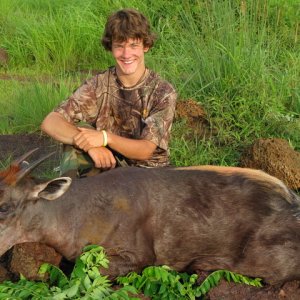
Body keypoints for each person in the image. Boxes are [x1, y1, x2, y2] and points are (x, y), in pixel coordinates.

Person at [41, 8, 177, 177]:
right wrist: (91, 145)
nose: (126, 54)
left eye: (133, 45)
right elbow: (51, 122)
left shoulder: (163, 91)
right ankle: (70, 198)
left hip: (150, 175)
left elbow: (145, 150)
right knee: (75, 145)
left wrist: (105, 138)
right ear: (110, 47)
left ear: (146, 46)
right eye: (119, 46)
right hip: (110, 168)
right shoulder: (98, 84)